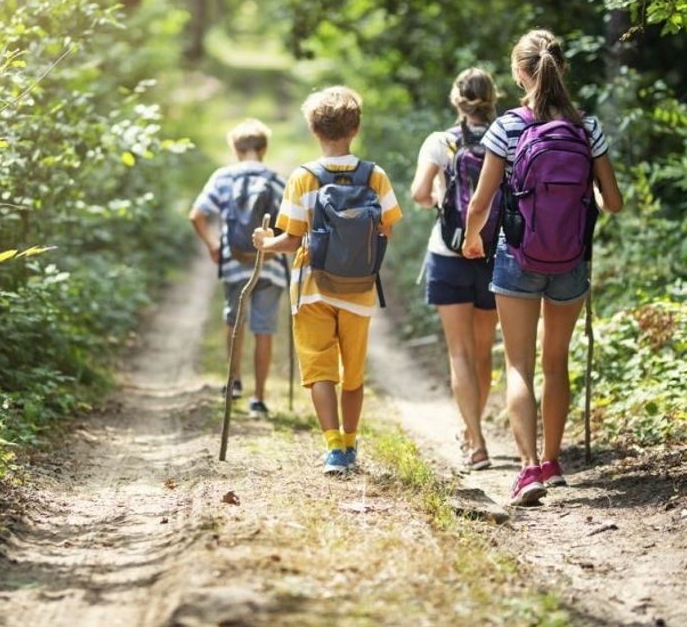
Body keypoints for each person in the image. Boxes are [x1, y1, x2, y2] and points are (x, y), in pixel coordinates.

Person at [462, 29, 623, 505]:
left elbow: (481, 202)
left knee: (518, 364)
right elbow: (613, 201)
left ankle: (528, 468)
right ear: (562, 67)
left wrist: (471, 238)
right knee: (556, 363)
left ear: (519, 72)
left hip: (517, 254)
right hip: (571, 259)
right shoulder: (586, 127)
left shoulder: (507, 126)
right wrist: (585, 202)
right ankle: (553, 464)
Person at [252, 86, 403, 474]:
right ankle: (352, 443)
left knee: (320, 369)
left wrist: (265, 244)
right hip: (360, 290)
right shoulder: (375, 176)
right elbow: (387, 230)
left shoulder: (303, 177)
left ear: (313, 130)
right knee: (353, 374)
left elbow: (291, 240)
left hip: (312, 289)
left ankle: (334, 447)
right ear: (355, 128)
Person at [409, 68, 500, 472]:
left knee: (459, 352)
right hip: (492, 254)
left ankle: (475, 441)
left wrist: (439, 200)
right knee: (483, 351)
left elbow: (419, 193)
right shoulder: (506, 136)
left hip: (448, 253)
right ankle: (472, 429)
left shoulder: (440, 142)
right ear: (493, 98)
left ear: (456, 100)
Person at [190, 118, 288, 419]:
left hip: (233, 262)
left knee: (234, 321)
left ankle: (233, 382)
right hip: (269, 264)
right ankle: (258, 399)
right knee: (264, 328)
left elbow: (197, 215)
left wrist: (213, 245)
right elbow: (292, 224)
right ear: (264, 149)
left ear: (235, 149)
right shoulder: (276, 180)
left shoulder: (223, 178)